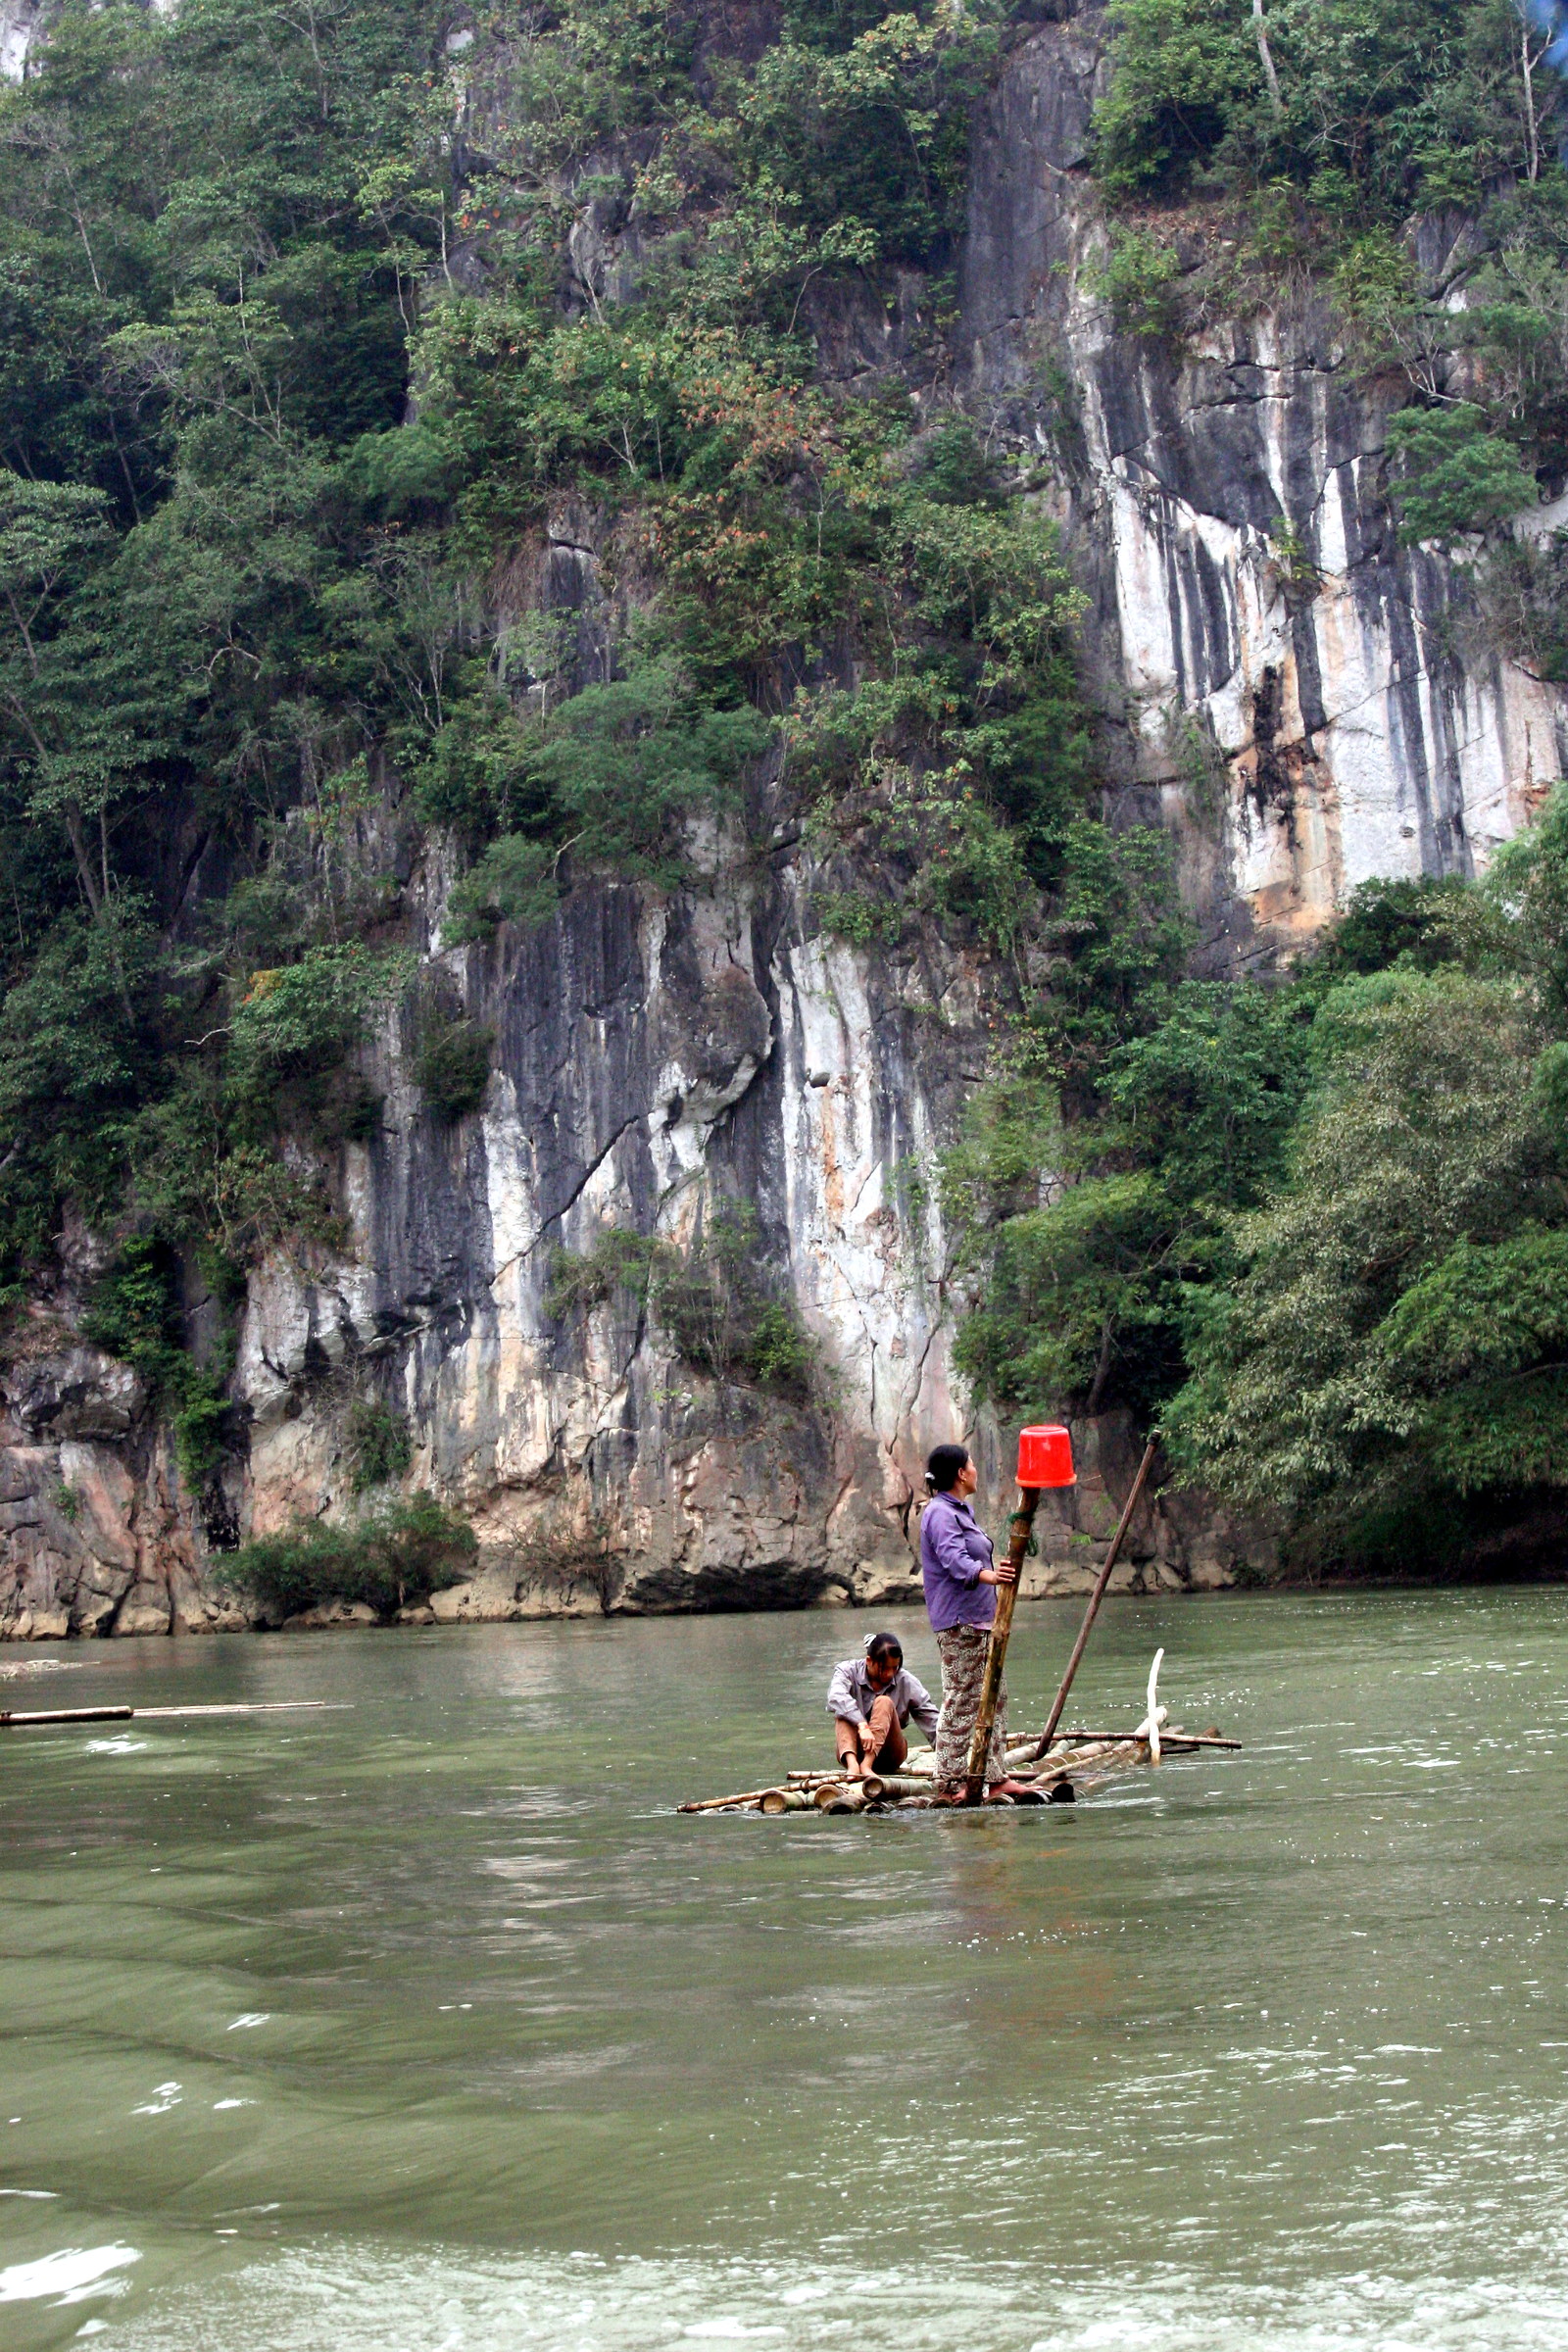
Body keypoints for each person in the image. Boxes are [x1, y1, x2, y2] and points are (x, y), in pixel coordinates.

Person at [919, 1442, 1037, 1802]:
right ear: (960, 1473)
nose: (975, 1470)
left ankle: (996, 1776)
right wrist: (990, 1576)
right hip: (959, 1621)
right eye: (971, 1464)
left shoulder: (962, 1511)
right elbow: (954, 1561)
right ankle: (950, 1781)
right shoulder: (940, 1513)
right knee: (962, 1698)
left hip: (983, 1619)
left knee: (996, 1697)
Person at [827, 1631, 939, 1780]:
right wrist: (862, 1725)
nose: (889, 1674)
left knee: (884, 1701)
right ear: (869, 1661)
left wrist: (949, 1754)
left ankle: (867, 1764)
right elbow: (835, 1696)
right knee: (843, 1710)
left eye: (894, 1668)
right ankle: (853, 1766)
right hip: (854, 1752)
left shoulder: (906, 1680)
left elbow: (930, 1718)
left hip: (890, 1754)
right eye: (884, 1668)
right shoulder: (847, 1671)